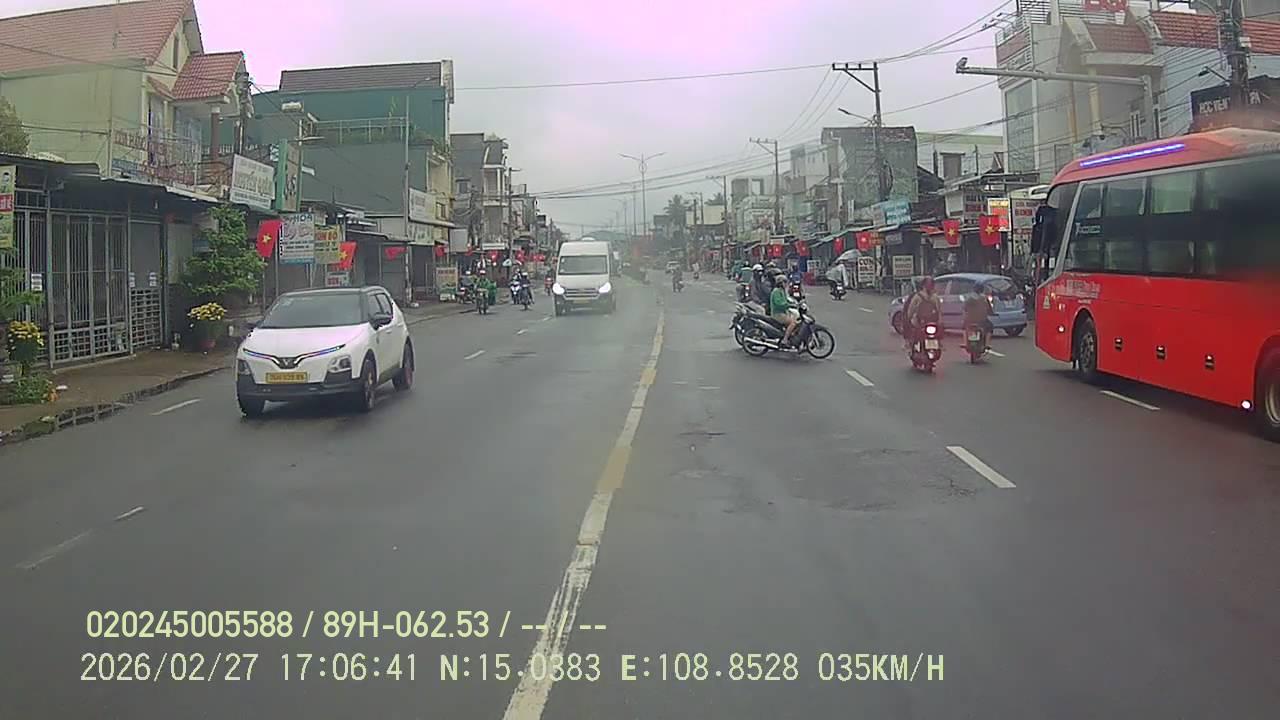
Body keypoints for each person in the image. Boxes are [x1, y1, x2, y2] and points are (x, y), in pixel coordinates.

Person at [904, 276, 941, 350]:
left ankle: (911, 345)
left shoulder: (917, 297)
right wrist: (939, 321)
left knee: (913, 332)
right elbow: (939, 311)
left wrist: (908, 319)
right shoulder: (935, 297)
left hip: (920, 322)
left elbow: (910, 311)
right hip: (931, 323)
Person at [769, 274, 800, 347]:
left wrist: (794, 302)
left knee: (796, 319)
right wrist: (789, 305)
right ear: (780, 283)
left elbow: (786, 300)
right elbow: (779, 304)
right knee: (793, 322)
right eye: (785, 282)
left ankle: (790, 335)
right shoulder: (776, 291)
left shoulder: (782, 291)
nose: (786, 284)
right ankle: (785, 340)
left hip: (783, 312)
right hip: (778, 314)